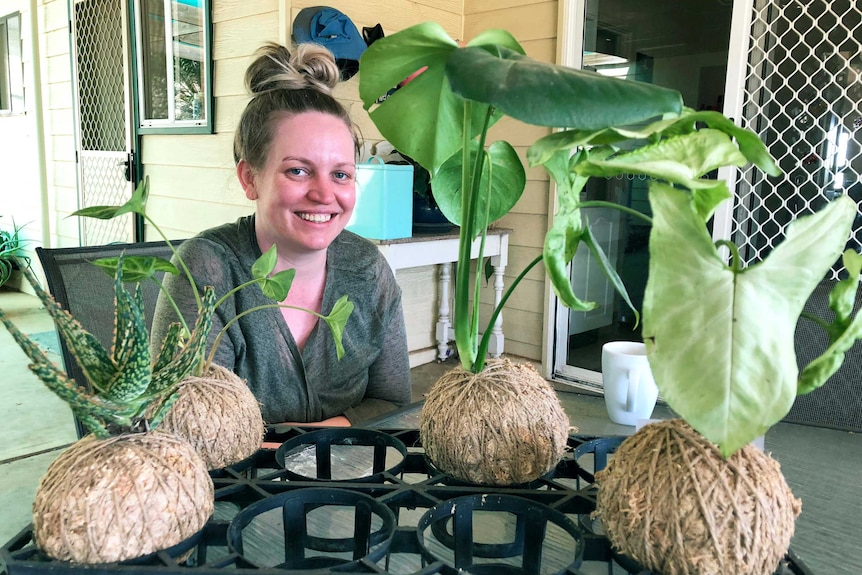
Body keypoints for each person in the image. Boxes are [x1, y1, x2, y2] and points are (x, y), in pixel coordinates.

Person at [151, 42, 412, 426]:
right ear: (249, 178)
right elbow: (185, 427)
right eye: (298, 171)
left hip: (352, 474)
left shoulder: (368, 269)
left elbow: (392, 403)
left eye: (340, 174)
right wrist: (309, 445)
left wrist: (322, 438)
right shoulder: (207, 269)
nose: (325, 195)